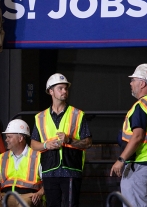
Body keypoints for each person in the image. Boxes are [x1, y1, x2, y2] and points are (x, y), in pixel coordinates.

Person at [30, 73, 93, 207]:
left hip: (71, 169)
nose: (64, 91)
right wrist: (46, 144)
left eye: (66, 88)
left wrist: (69, 140)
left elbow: (88, 142)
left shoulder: (77, 114)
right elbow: (33, 144)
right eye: (60, 88)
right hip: (49, 170)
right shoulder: (40, 117)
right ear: (51, 91)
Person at [110, 63, 147, 206]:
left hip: (140, 165)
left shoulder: (141, 106)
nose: (131, 83)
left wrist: (121, 159)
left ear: (142, 83)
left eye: (134, 80)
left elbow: (138, 136)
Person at [0, 119, 44, 207]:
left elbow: (49, 182)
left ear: (20, 138)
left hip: (28, 196)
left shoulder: (37, 156)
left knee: (24, 203)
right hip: (5, 196)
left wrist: (39, 194)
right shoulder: (3, 157)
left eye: (9, 137)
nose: (6, 140)